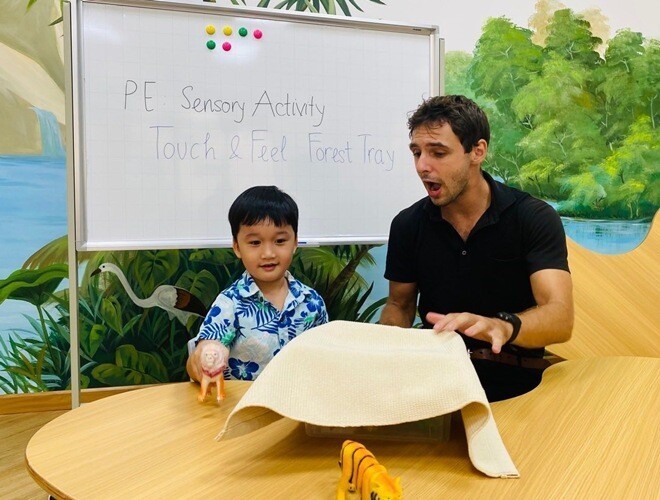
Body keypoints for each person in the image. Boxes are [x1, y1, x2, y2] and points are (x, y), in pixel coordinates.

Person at [380, 95, 574, 401]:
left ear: (477, 151)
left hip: (521, 390)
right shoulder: (407, 224)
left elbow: (560, 317)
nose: (422, 166)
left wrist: (503, 327)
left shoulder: (532, 217)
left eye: (438, 153)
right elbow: (399, 305)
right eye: (416, 152)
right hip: (436, 389)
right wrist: (385, 345)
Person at [187, 185, 328, 382]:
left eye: (280, 241)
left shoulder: (312, 302)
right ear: (237, 247)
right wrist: (204, 357)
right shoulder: (230, 303)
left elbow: (324, 360)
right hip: (244, 401)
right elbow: (200, 357)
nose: (268, 253)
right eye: (255, 243)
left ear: (295, 242)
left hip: (297, 398)